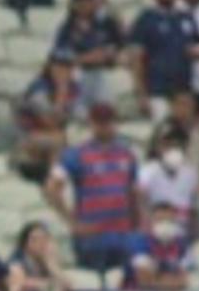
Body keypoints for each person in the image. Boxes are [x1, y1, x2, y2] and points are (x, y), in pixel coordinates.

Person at [47, 104, 140, 277]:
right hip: (93, 237)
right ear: (92, 124)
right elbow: (52, 189)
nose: (104, 127)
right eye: (100, 122)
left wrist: (138, 226)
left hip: (123, 234)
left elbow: (134, 193)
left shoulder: (127, 154)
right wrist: (73, 223)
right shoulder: (76, 154)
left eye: (108, 122)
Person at [5, 221, 70, 291]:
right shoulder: (17, 258)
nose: (41, 243)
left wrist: (52, 265)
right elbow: (19, 280)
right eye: (35, 240)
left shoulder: (47, 258)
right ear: (25, 243)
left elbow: (67, 285)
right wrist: (47, 285)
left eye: (45, 239)